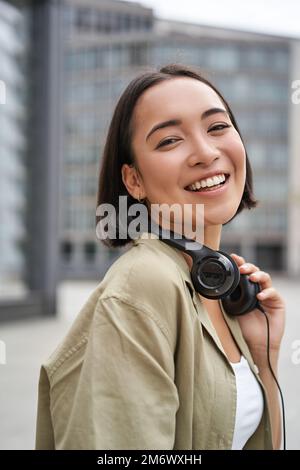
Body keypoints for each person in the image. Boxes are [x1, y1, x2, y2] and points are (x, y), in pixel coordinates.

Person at [35, 64, 285, 450]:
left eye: (217, 127)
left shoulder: (220, 292)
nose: (205, 152)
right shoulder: (144, 287)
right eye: (170, 140)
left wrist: (263, 360)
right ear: (133, 180)